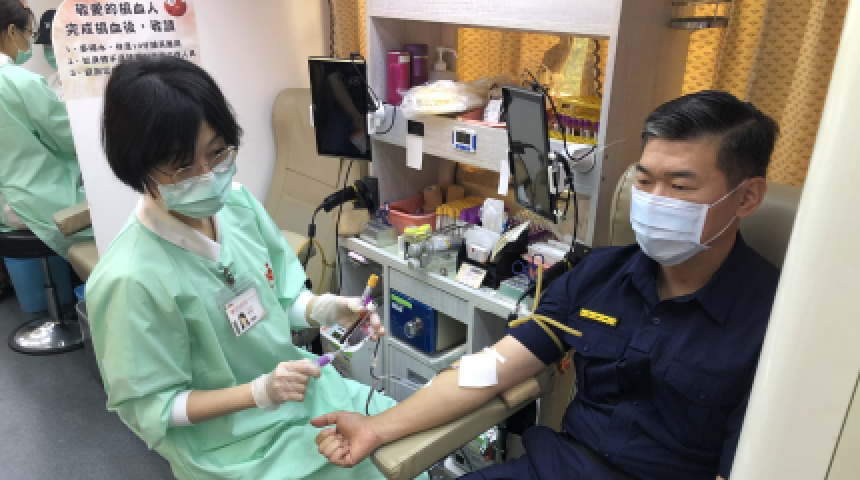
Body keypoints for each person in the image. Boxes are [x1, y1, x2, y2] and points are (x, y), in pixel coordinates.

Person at [313, 90, 780, 480]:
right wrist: (377, 427)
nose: (655, 201)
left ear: (747, 197)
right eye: (645, 181)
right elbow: (489, 371)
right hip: (556, 468)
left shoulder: (776, 324)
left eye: (679, 187)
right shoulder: (600, 275)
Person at [86, 56, 409, 479]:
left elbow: (282, 299)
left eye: (217, 152)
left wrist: (328, 308)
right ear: (138, 168)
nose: (207, 175)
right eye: (182, 166)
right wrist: (256, 394)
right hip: (229, 444)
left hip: (301, 396)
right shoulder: (128, 279)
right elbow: (154, 406)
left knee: (401, 441)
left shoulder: (237, 206)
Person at [0, 0, 93, 258]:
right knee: (119, 215)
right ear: (12, 32)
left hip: (6, 206)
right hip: (34, 204)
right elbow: (70, 139)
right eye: (29, 34)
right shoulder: (21, 82)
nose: (30, 42)